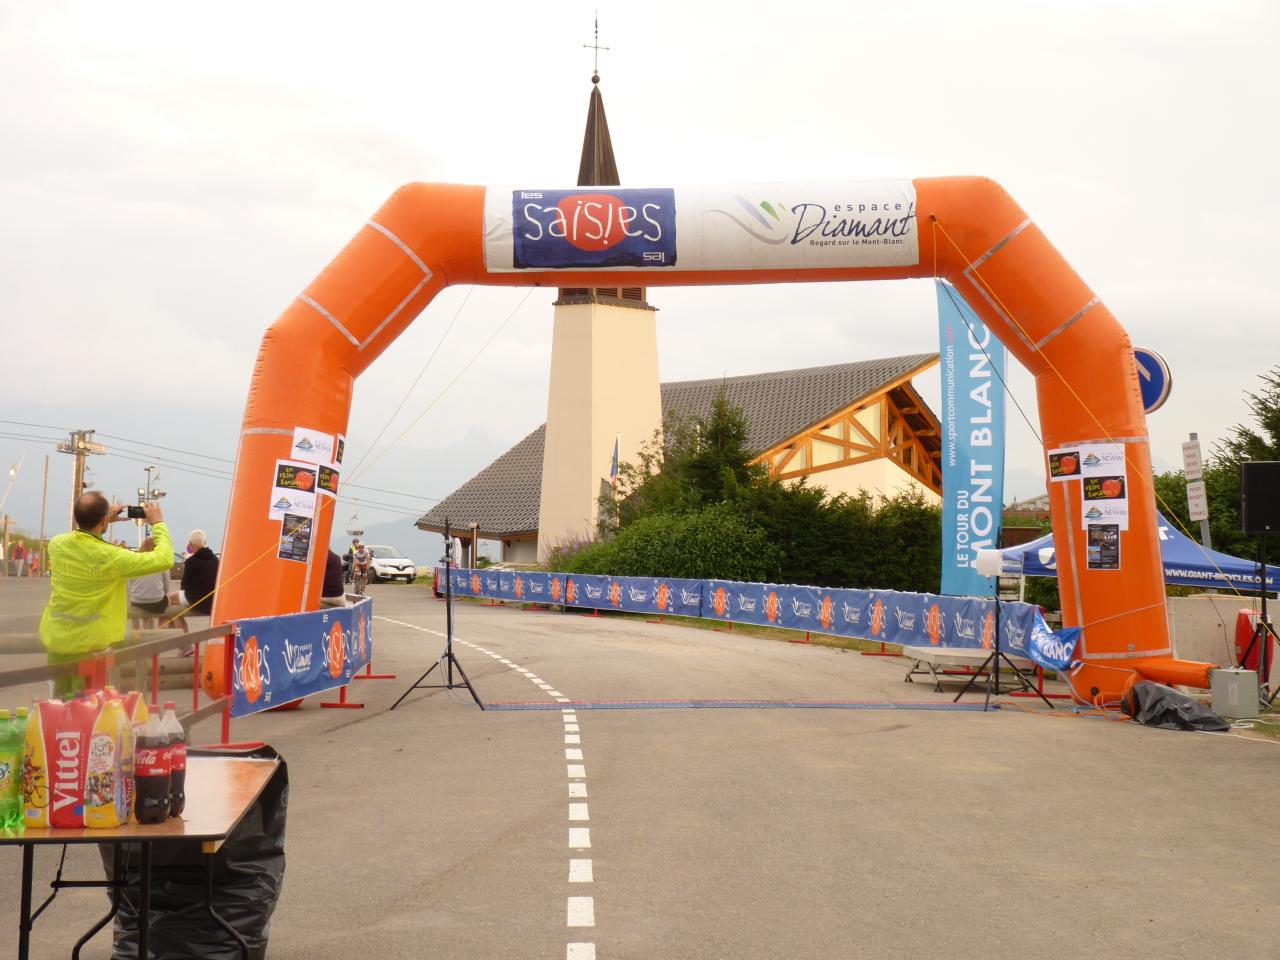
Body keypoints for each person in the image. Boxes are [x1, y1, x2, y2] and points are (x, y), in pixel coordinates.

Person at [40, 493, 171, 696]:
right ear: (102, 521)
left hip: (57, 644)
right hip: (91, 648)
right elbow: (164, 558)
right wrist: (158, 523)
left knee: (57, 706)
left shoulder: (57, 544)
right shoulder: (113, 557)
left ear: (76, 518)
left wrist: (103, 519)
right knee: (87, 709)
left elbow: (81, 537)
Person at [179, 529, 219, 615]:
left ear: (190, 544)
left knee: (170, 599)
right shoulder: (216, 560)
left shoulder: (190, 562)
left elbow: (184, 586)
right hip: (213, 601)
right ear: (205, 542)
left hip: (196, 602)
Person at [127, 536, 171, 615]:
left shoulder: (135, 561)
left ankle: (141, 624)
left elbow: (129, 585)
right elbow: (166, 587)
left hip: (137, 601)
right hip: (157, 602)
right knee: (167, 602)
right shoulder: (162, 561)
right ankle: (155, 623)